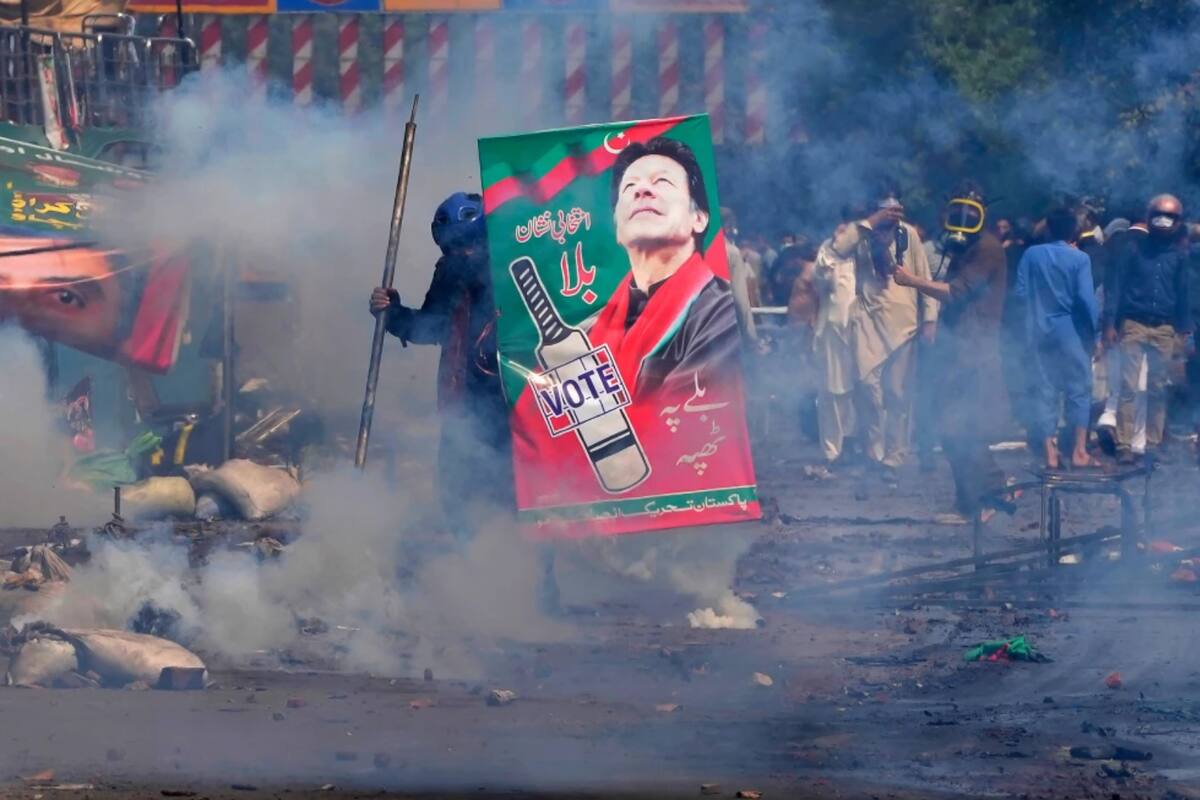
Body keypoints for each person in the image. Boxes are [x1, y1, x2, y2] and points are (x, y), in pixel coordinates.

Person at [369, 191, 513, 532]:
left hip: (512, 407)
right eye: (452, 246)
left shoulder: (512, 270)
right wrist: (390, 313)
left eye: (467, 244)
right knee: (458, 501)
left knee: (514, 504)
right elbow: (430, 327)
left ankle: (536, 581)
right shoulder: (449, 275)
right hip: (461, 407)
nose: (461, 253)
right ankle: (468, 574)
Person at [589, 137, 741, 400]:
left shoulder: (719, 312)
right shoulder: (589, 330)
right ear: (617, 228)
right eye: (630, 187)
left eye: (662, 182)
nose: (642, 191)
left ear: (699, 218)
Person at [894, 185, 1011, 520]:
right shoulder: (968, 247)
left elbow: (956, 293)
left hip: (975, 351)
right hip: (959, 348)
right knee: (951, 428)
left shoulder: (987, 249)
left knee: (965, 428)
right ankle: (968, 503)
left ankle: (989, 499)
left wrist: (911, 280)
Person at [830, 189, 938, 478]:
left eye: (895, 207)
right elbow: (838, 249)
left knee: (897, 393)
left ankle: (894, 456)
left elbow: (923, 276)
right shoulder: (862, 232)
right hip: (867, 322)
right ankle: (872, 451)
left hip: (904, 326)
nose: (892, 213)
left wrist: (929, 318)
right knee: (867, 388)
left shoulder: (909, 234)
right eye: (885, 208)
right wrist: (871, 221)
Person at [1104, 193, 1195, 463]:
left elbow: (1183, 294)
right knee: (1128, 386)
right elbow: (1116, 288)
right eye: (1159, 215)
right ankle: (1124, 445)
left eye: (1170, 217)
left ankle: (1153, 444)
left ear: (1178, 221)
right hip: (1133, 323)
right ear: (1149, 216)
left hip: (1164, 328)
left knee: (1158, 387)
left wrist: (1185, 330)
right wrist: (1110, 323)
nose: (1164, 221)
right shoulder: (1133, 250)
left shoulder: (1179, 256)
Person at [1014, 206, 1101, 470]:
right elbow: (1086, 300)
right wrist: (1095, 332)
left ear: (1048, 228)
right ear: (1074, 231)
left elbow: (1019, 294)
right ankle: (1079, 452)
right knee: (1079, 389)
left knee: (1045, 390)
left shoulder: (1031, 254)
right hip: (1071, 332)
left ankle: (1050, 454)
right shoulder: (1079, 259)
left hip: (1039, 331)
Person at [812, 211, 859, 471]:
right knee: (831, 392)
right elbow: (821, 283)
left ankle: (853, 445)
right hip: (831, 329)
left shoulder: (863, 253)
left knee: (859, 391)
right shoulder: (827, 251)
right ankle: (832, 451)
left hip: (859, 330)